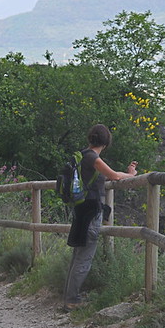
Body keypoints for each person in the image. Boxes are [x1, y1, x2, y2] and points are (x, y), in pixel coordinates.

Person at [63, 124, 138, 312]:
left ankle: (70, 296)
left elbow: (103, 177)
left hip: (80, 210)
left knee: (78, 255)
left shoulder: (81, 156)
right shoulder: (92, 158)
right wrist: (130, 175)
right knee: (84, 257)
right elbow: (113, 176)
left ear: (90, 138)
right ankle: (72, 300)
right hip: (90, 212)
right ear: (105, 142)